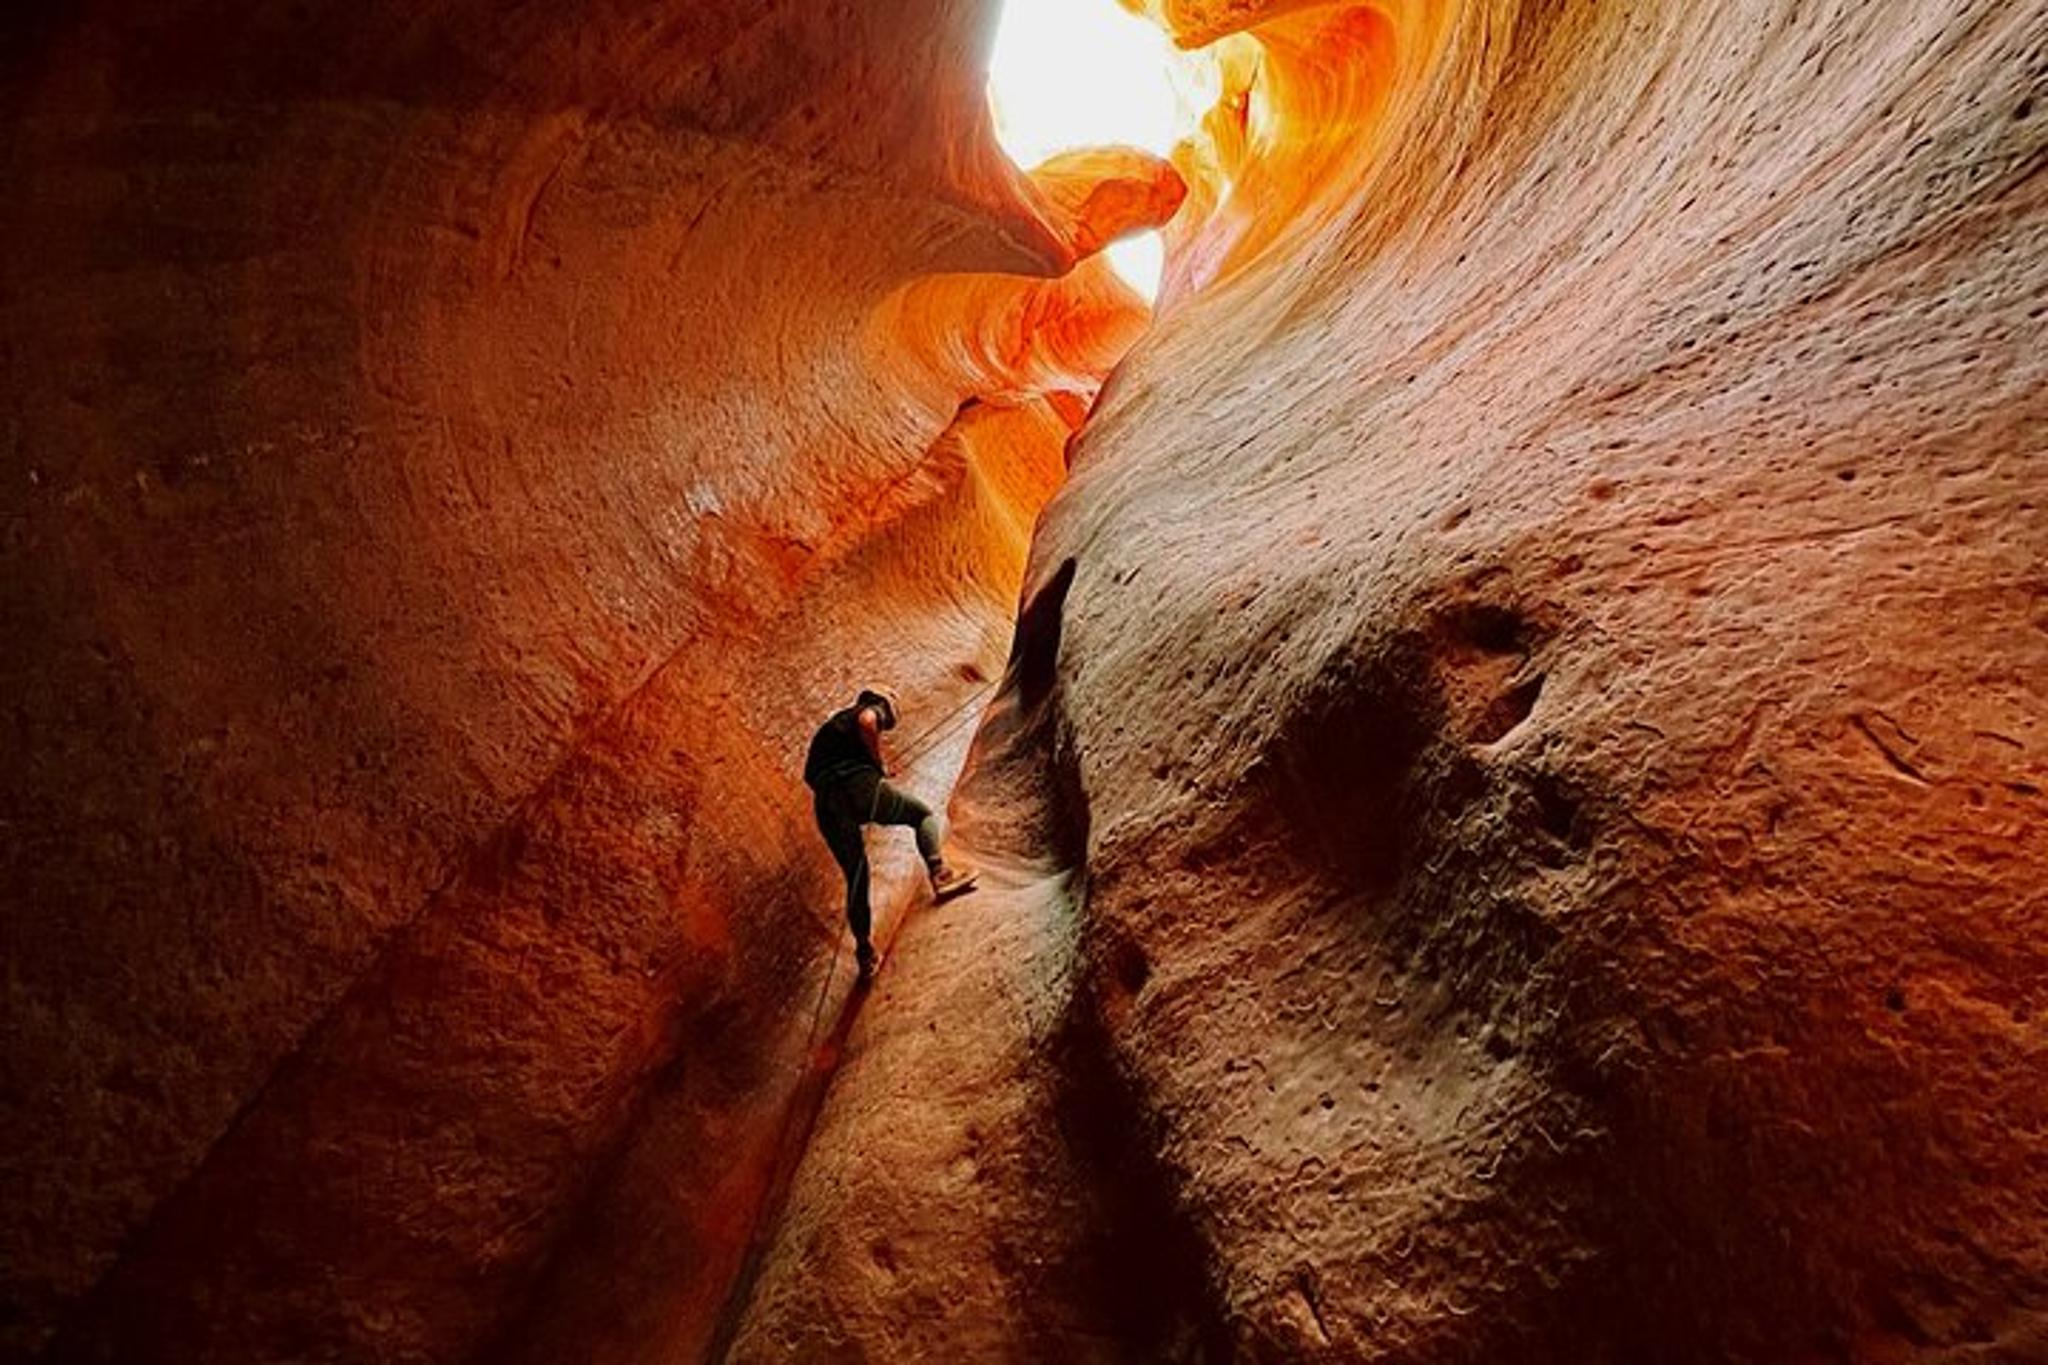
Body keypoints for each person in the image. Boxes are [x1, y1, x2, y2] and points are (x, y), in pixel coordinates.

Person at [804, 687, 973, 979]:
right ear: (881, 702)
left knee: (857, 874)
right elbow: (868, 722)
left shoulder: (831, 730)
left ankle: (865, 953)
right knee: (921, 815)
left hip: (827, 805)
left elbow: (812, 775)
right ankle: (940, 873)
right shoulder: (868, 711)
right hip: (858, 787)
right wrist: (876, 765)